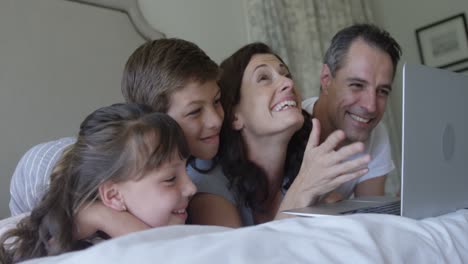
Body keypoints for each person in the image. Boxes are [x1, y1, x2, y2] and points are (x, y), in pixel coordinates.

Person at [9, 38, 223, 216]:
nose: (216, 120)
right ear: (154, 118)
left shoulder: (207, 166)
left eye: (217, 100)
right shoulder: (88, 169)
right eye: (194, 112)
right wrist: (106, 218)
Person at [188, 42, 371, 227]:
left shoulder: (300, 170)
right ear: (234, 116)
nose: (288, 83)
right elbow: (243, 256)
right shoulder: (207, 183)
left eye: (286, 74)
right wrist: (302, 191)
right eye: (264, 78)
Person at [0, 103, 196, 263]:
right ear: (113, 196)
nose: (192, 187)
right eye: (170, 179)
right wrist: (103, 216)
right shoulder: (90, 254)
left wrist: (102, 215)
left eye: (186, 169)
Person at [302, 23, 402, 199]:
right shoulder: (291, 129)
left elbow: (369, 214)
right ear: (326, 79)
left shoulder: (376, 133)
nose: (371, 107)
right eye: (357, 85)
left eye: (382, 91)